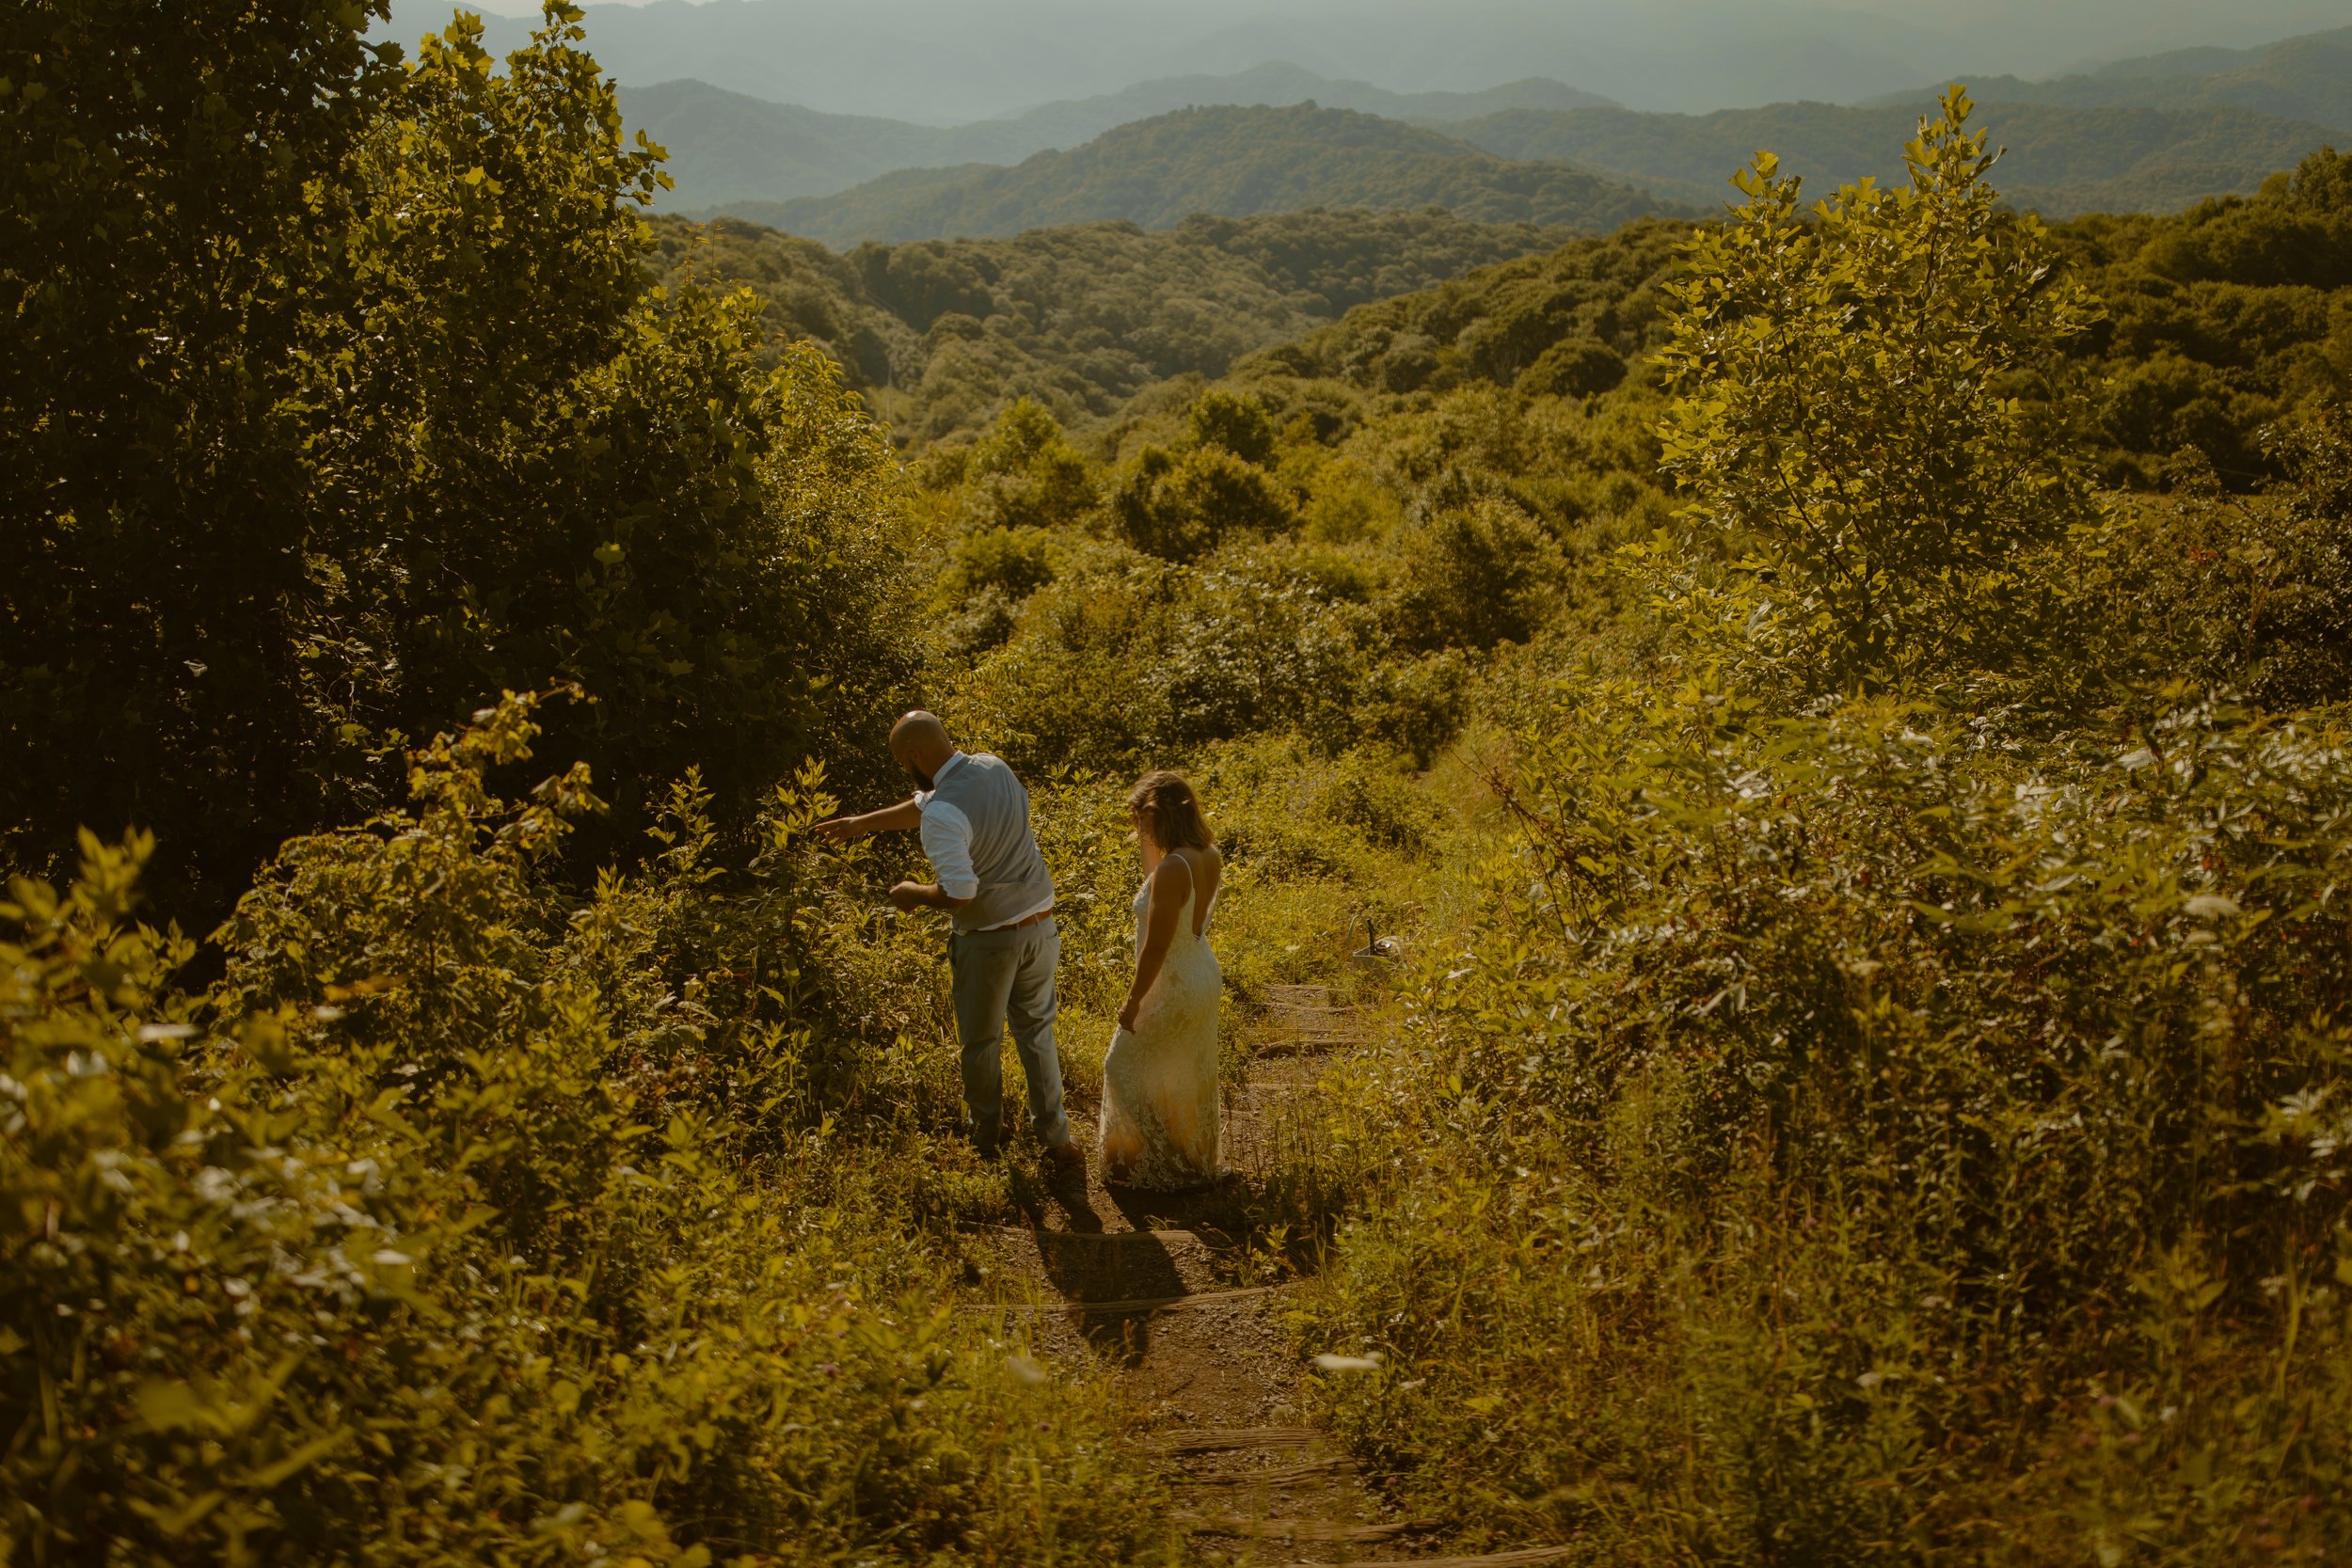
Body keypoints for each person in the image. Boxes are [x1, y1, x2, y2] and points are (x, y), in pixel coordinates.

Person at [815, 712, 1084, 1174]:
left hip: (990, 941)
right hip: (1041, 924)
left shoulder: (942, 814)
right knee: (1036, 1032)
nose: (906, 771)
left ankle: (986, 1136)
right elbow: (933, 802)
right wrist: (860, 823)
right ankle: (1056, 1138)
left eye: (904, 762)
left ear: (916, 755)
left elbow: (960, 893)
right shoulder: (993, 766)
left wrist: (912, 894)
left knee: (980, 1042)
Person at [1099, 769, 1224, 1189]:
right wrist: (1144, 835)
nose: (1137, 825)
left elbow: (1155, 946)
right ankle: (1188, 1160)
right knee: (1184, 1070)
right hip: (1202, 972)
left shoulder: (1174, 868)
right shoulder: (1207, 854)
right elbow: (1154, 881)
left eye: (1141, 816)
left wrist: (1133, 1000)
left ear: (1158, 813)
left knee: (1120, 1065)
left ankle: (1157, 1168)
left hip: (1173, 981)